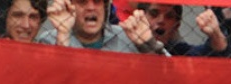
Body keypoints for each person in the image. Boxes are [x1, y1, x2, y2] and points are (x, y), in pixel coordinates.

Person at [38, 0, 166, 53]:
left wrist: (148, 43)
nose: (91, 7)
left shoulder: (128, 36)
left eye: (97, 1)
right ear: (70, 6)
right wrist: (63, 35)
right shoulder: (50, 39)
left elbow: (169, 74)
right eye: (82, 1)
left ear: (105, 7)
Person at [139, 3, 231, 56]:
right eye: (154, 14)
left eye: (169, 16)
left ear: (176, 26)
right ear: (140, 17)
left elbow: (211, 54)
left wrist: (216, 35)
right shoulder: (129, 45)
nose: (161, 20)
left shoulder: (179, 52)